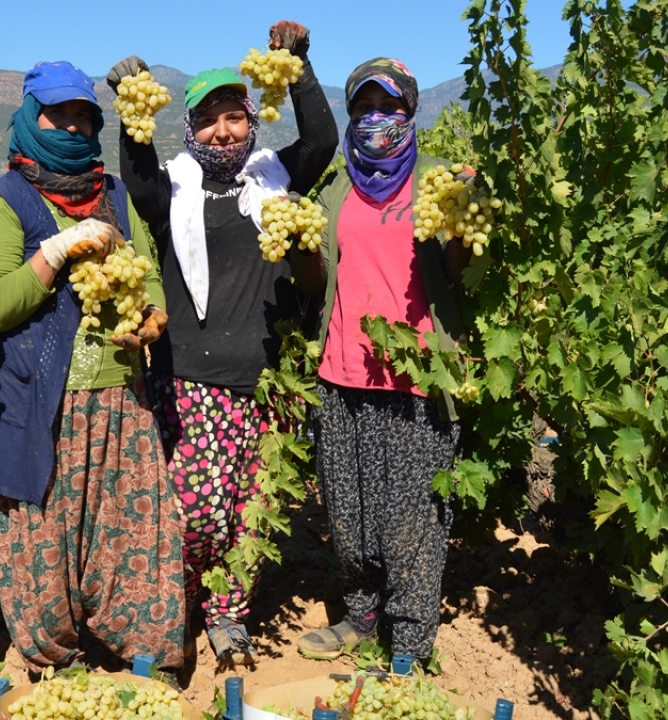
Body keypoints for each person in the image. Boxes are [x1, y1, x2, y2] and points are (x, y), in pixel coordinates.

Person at [108, 20, 337, 666]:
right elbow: (137, 176)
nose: (224, 131)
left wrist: (297, 65)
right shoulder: (172, 188)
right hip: (193, 381)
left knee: (251, 513)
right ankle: (175, 607)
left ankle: (229, 616)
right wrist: (131, 105)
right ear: (190, 128)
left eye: (235, 117)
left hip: (269, 383)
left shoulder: (275, 177)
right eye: (208, 121)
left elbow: (322, 139)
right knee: (198, 513)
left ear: (251, 121)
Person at [0, 61, 186, 674]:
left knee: (135, 531)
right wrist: (57, 250)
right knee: (42, 537)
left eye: (82, 116)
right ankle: (54, 662)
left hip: (121, 400)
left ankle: (150, 656)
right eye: (56, 114)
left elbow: (145, 270)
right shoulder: (2, 200)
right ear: (28, 118)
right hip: (39, 406)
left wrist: (153, 314)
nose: (70, 126)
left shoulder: (114, 193)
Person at [295, 58, 469, 668]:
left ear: (410, 111)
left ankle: (410, 647)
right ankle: (362, 619)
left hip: (418, 379)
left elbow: (461, 273)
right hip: (342, 372)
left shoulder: (439, 181)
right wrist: (297, 245)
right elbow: (314, 280)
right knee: (349, 517)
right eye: (364, 108)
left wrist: (465, 217)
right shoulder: (337, 188)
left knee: (413, 523)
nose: (376, 119)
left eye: (389, 107)